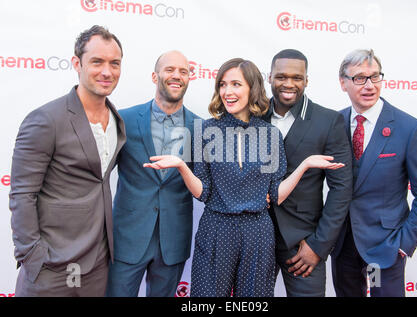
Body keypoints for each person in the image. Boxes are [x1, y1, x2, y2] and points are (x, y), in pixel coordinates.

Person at [145, 58, 344, 297]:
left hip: (258, 233)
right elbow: (203, 192)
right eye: (223, 85)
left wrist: (304, 166)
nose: (228, 91)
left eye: (236, 84)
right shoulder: (203, 131)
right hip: (216, 229)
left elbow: (274, 195)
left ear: (252, 88)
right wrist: (180, 165)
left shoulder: (270, 134)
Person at [9, 25, 126, 296]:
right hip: (52, 266)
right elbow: (22, 195)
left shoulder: (117, 120)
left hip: (98, 263)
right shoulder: (45, 119)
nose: (107, 71)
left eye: (115, 63)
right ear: (77, 63)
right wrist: (33, 256)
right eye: (97, 62)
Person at [331, 49, 417, 297]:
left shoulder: (409, 129)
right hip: (343, 246)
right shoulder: (333, 124)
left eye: (375, 77)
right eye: (359, 78)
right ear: (343, 83)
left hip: (384, 249)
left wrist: (403, 244)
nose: (369, 85)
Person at [106, 50, 200, 297]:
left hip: (173, 241)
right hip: (127, 238)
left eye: (183, 71)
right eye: (169, 69)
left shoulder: (201, 128)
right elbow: (98, 175)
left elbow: (207, 184)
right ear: (154, 75)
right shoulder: (123, 119)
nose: (176, 76)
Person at [263, 49, 353, 297]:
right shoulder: (253, 116)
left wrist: (319, 245)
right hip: (255, 238)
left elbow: (341, 188)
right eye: (281, 76)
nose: (289, 84)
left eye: (297, 77)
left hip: (304, 242)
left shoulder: (328, 121)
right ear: (269, 77)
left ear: (306, 80)